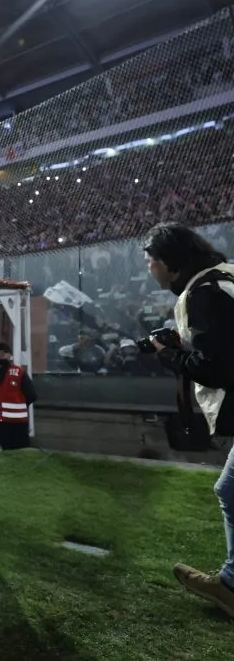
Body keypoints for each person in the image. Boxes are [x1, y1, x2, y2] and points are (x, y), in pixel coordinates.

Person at [142, 222, 234, 618]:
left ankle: (230, 587)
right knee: (228, 489)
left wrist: (168, 354)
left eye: (150, 261)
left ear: (169, 264)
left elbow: (215, 369)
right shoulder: (225, 276)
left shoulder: (202, 294)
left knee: (230, 491)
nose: (149, 269)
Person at [0, 343, 37, 451]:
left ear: (10, 355)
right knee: (6, 453)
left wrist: (18, 406)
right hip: (1, 422)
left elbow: (32, 395)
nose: (2, 354)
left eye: (5, 352)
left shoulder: (19, 372)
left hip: (19, 424)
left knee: (21, 452)